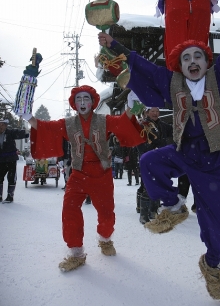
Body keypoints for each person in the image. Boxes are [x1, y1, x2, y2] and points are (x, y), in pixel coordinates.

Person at [98, 0, 220, 300]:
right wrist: (113, 44)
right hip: (185, 153)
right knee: (149, 163)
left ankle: (213, 265)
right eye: (186, 57)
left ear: (206, 62)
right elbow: (140, 64)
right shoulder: (171, 82)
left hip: (216, 161)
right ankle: (174, 205)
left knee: (215, 228)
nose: (192, 61)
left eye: (198, 57)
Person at [22, 85, 145, 272]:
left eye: (85, 99)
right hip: (78, 173)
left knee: (106, 214)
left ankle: (105, 239)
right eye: (78, 99)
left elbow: (123, 121)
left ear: (93, 102)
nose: (82, 103)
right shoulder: (68, 123)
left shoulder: (104, 120)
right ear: (74, 103)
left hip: (102, 174)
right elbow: (46, 127)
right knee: (69, 208)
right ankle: (76, 252)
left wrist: (131, 106)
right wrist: (28, 117)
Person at [0, 118, 29, 203]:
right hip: (1, 160)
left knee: (11, 177)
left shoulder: (10, 133)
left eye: (2, 125)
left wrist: (27, 131)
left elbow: (21, 133)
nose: (0, 127)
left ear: (6, 126)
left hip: (11, 159)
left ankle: (10, 196)